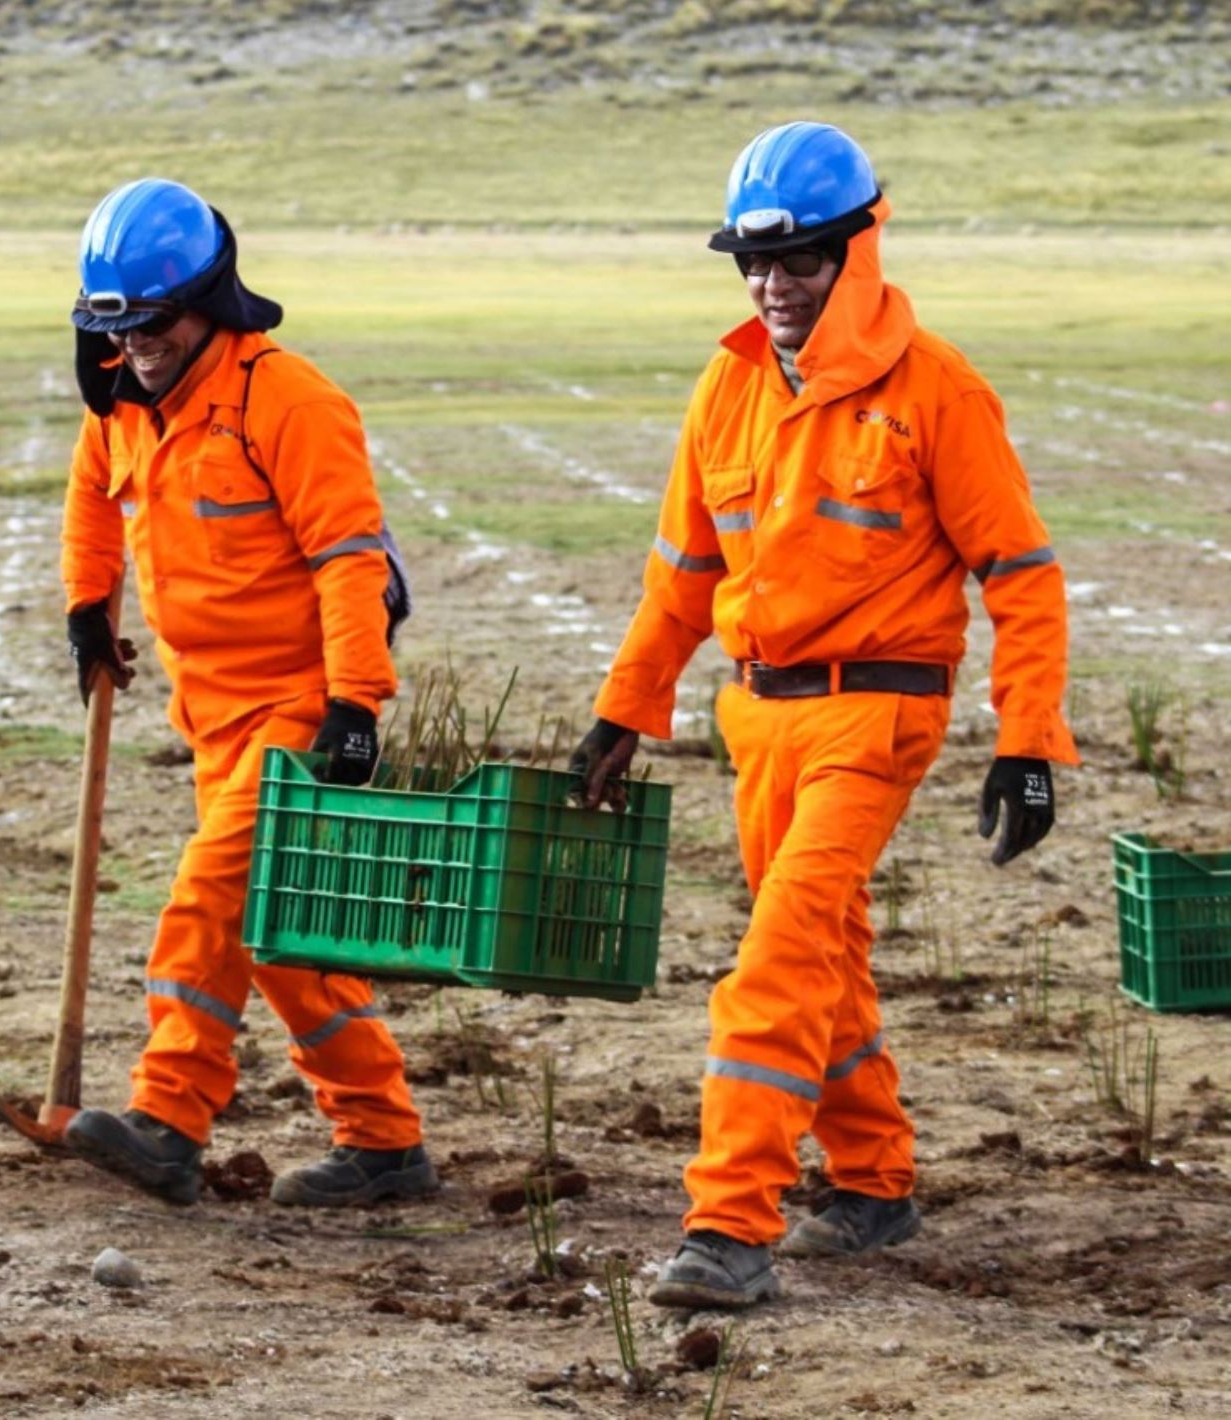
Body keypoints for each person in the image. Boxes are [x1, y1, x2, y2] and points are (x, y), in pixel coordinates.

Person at [570, 122, 1077, 1309]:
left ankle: (728, 1224)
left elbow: (1022, 573)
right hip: (757, 725)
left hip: (875, 723)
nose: (774, 285)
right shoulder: (730, 383)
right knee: (827, 961)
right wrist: (621, 712)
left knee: (776, 960)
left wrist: (1029, 739)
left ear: (859, 249)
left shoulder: (936, 389)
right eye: (755, 263)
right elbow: (680, 574)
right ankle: (872, 1182)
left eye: (798, 260)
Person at [58, 177, 435, 1209]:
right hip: (210, 721)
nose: (136, 345)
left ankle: (168, 1120)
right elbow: (93, 489)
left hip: (299, 712)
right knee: (280, 944)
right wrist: (90, 601)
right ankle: (386, 1145)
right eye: (115, 326)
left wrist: (355, 707)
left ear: (211, 301)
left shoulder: (289, 401)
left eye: (154, 323)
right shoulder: (129, 405)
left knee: (209, 899)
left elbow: (354, 558)